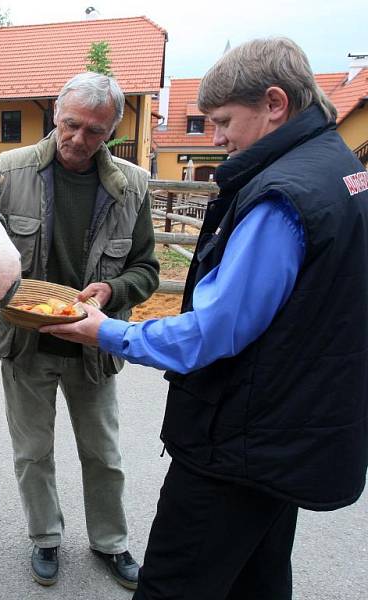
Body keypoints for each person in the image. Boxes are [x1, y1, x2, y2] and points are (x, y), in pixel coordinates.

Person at [42, 38, 368, 600]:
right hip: (294, 428)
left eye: (222, 121)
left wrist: (106, 331)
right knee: (257, 577)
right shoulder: (339, 166)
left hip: (241, 441)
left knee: (175, 582)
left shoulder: (280, 198)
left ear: (274, 103)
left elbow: (212, 333)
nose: (216, 138)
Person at [0, 72, 160, 589]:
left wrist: (113, 292)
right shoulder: (7, 172)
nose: (79, 140)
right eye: (71, 125)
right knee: (32, 451)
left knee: (103, 453)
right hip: (25, 343)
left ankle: (111, 542)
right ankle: (45, 538)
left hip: (93, 345)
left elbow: (146, 268)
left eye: (95, 132)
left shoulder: (131, 186)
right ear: (55, 116)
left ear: (113, 130)